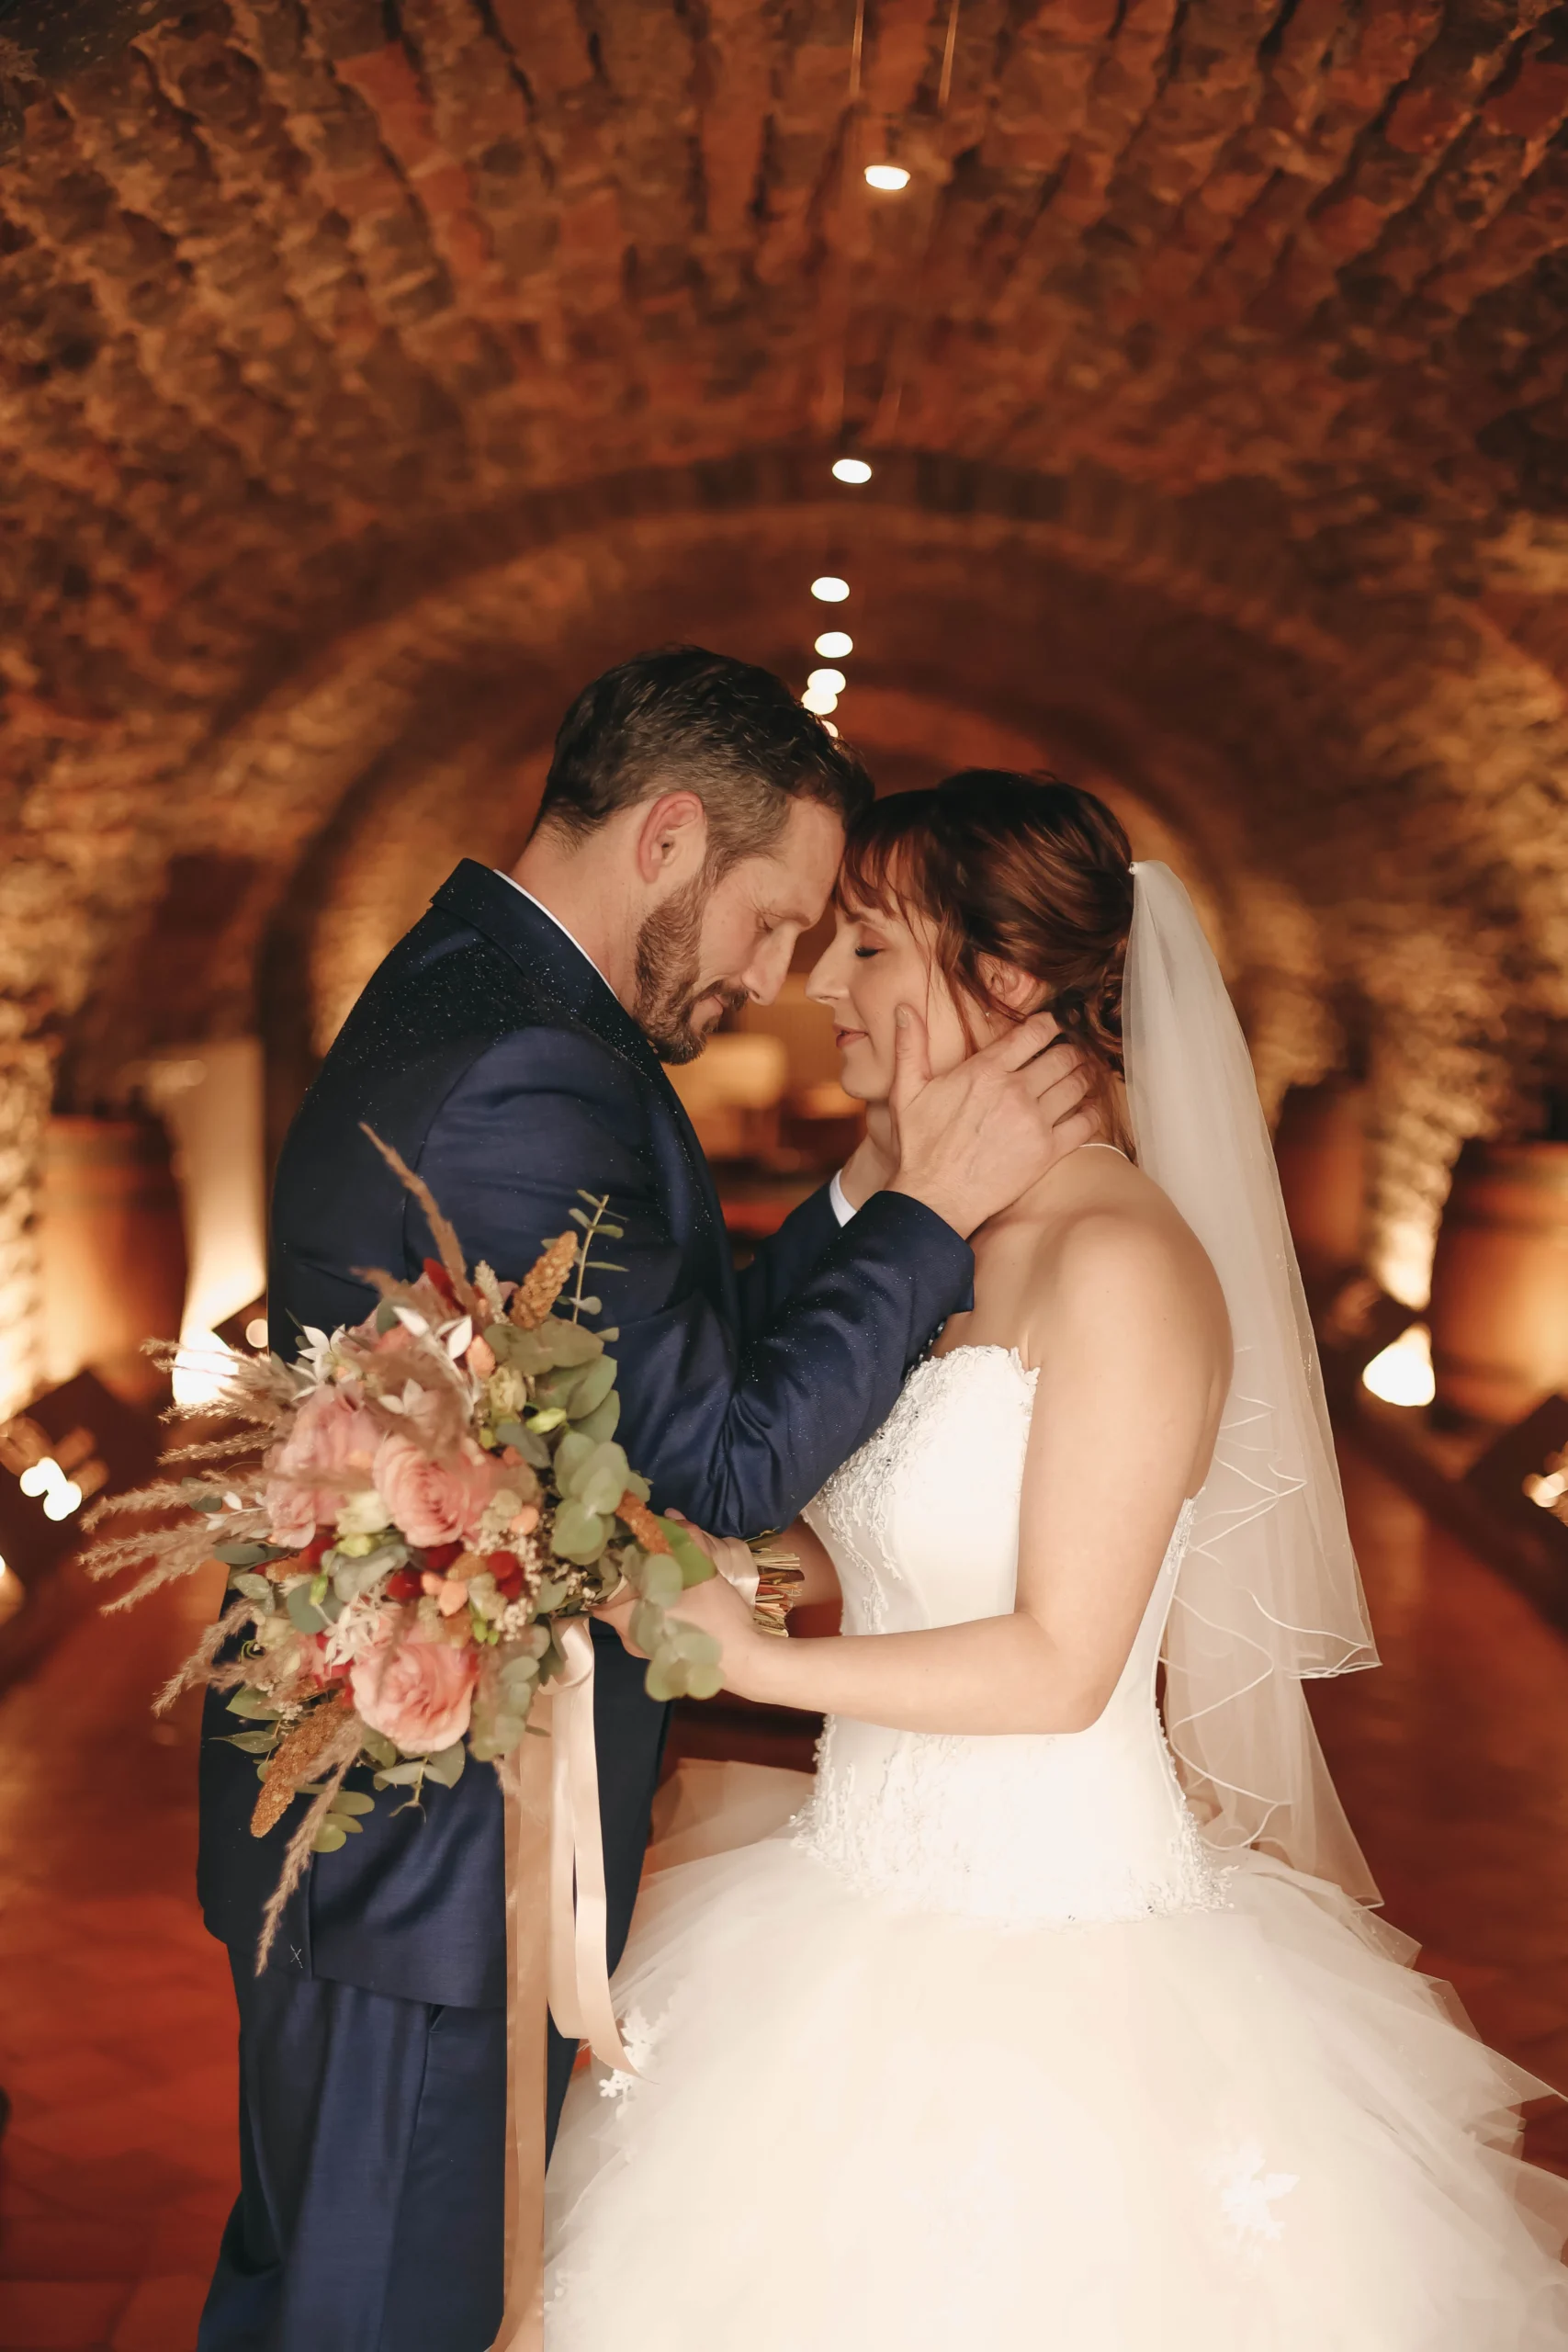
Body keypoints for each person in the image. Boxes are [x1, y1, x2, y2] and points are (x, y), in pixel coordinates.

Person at [551, 773, 1568, 2348]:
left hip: (1057, 1947)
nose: (826, 984)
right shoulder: (947, 1233)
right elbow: (887, 1539)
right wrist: (726, 1572)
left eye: (872, 946)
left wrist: (749, 1663)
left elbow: (1058, 1660)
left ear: (1008, 983)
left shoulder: (1125, 1265)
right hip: (849, 1882)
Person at [195, 660, 1092, 2352]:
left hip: (385, 1828)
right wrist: (934, 1216)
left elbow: (656, 1371)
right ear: (671, 838)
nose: (775, 977)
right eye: (774, 920)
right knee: (380, 2311)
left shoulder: (479, 986)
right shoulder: (539, 1065)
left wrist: (871, 1195)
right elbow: (715, 1474)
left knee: (338, 2283)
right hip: (435, 1853)